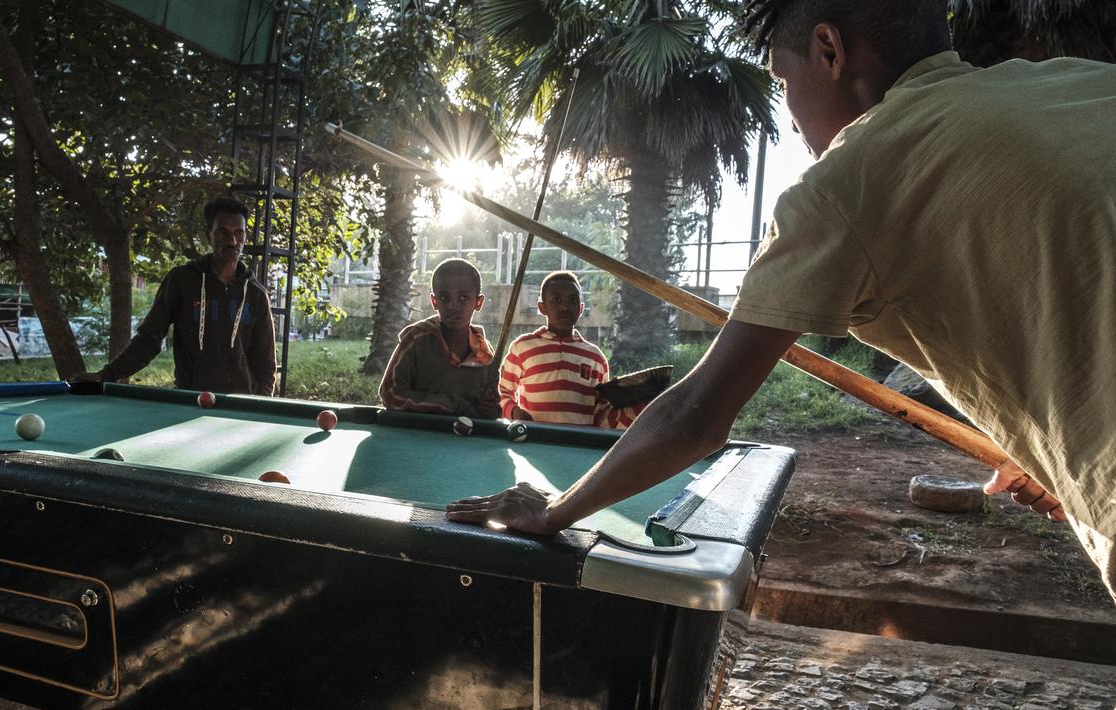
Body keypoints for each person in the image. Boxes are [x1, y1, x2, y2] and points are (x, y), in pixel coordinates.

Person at [447, 0, 1116, 602]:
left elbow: (695, 413)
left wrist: (554, 511)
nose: (789, 113)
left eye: (781, 80)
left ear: (828, 50)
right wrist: (1037, 444)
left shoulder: (847, 178)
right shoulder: (1080, 83)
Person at [76, 197, 277, 395]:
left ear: (245, 236)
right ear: (209, 234)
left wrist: (261, 404)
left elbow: (266, 362)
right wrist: (106, 375)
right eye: (223, 232)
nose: (232, 241)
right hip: (190, 402)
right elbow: (149, 339)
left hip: (241, 407)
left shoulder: (255, 294)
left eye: (238, 233)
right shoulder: (182, 281)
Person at [499, 271, 639, 428]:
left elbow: (601, 411)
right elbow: (501, 392)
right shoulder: (522, 348)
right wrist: (515, 412)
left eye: (573, 300)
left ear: (581, 308)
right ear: (542, 307)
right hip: (533, 442)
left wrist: (634, 407)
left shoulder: (595, 358)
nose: (565, 306)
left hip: (580, 446)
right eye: (556, 300)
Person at [379, 258, 501, 418]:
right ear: (434, 301)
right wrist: (451, 405)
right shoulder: (416, 339)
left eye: (463, 298)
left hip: (463, 441)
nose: (453, 306)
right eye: (444, 298)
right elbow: (390, 394)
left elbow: (490, 410)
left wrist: (492, 410)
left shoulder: (484, 354)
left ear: (478, 303)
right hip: (415, 437)